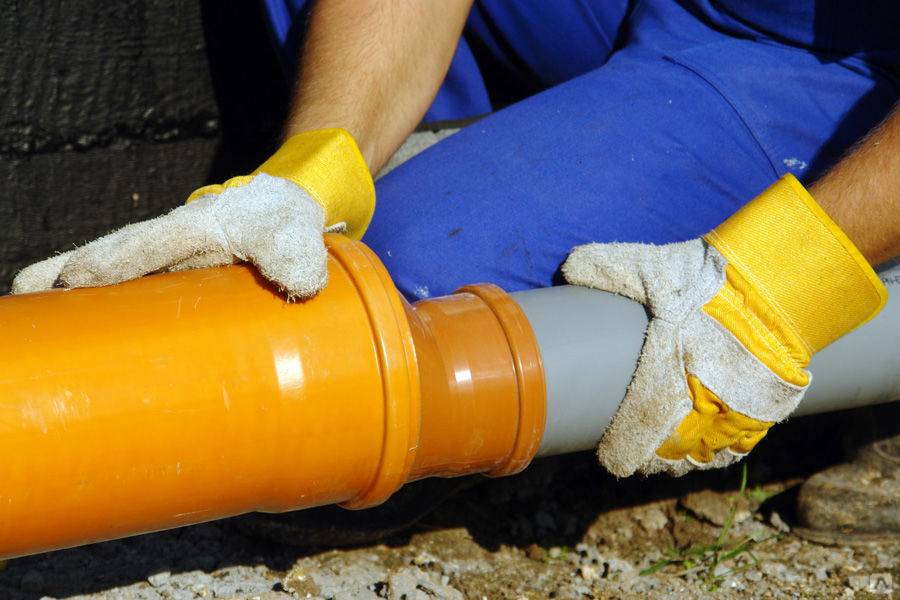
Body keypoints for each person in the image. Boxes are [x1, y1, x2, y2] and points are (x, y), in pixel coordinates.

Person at [12, 1, 900, 539]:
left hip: (836, 61)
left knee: (391, 304)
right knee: (333, 271)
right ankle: (483, 143)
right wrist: (314, 164)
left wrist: (788, 277)